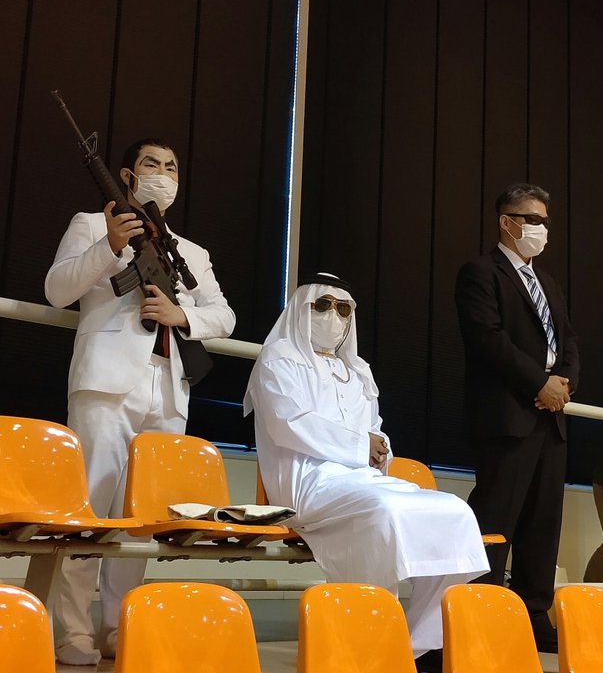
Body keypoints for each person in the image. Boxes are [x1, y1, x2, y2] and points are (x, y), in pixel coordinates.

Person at [45, 138, 236, 665]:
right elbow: (57, 290)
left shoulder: (191, 253)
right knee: (90, 508)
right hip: (107, 381)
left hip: (168, 387)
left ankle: (118, 623)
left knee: (141, 516)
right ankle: (73, 631)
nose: (163, 173)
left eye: (172, 166)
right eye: (152, 163)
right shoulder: (91, 224)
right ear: (127, 175)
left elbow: (224, 314)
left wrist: (183, 316)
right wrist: (109, 246)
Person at [244, 273, 489, 673]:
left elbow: (375, 429)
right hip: (307, 481)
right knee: (385, 512)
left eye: (343, 309)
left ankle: (413, 644)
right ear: (302, 309)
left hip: (363, 480)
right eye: (323, 306)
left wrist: (379, 448)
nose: (333, 316)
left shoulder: (357, 370)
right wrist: (362, 445)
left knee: (456, 512)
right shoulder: (279, 358)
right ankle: (366, 638)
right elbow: (288, 423)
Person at [455, 183, 579, 653]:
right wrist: (538, 383)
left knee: (543, 521)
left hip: (550, 417)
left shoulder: (548, 282)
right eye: (533, 220)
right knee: (497, 517)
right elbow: (488, 339)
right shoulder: (480, 273)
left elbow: (568, 341)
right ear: (507, 222)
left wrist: (564, 383)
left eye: (546, 221)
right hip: (507, 414)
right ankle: (483, 612)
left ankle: (533, 613)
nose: (542, 228)